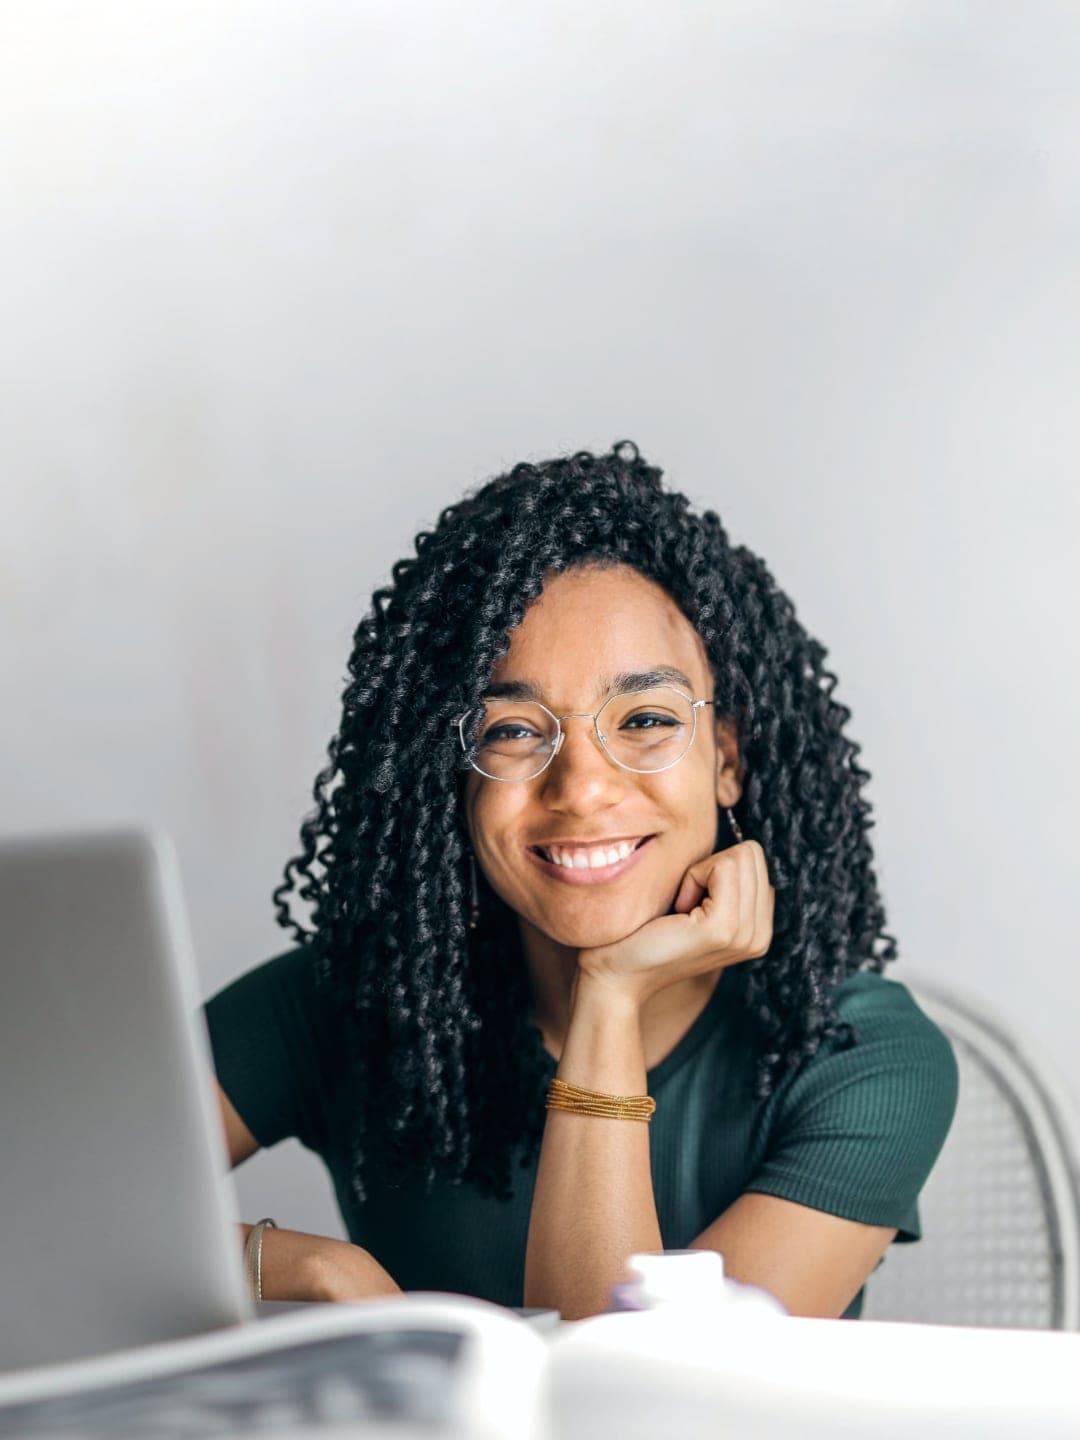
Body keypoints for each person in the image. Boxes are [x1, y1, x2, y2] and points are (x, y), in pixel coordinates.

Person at [205, 440, 958, 1321]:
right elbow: (38, 1201)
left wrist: (610, 996)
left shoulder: (860, 1056)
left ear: (728, 759)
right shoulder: (350, 1000)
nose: (584, 787)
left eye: (643, 718)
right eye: (513, 731)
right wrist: (302, 1266)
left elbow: (636, 1404)